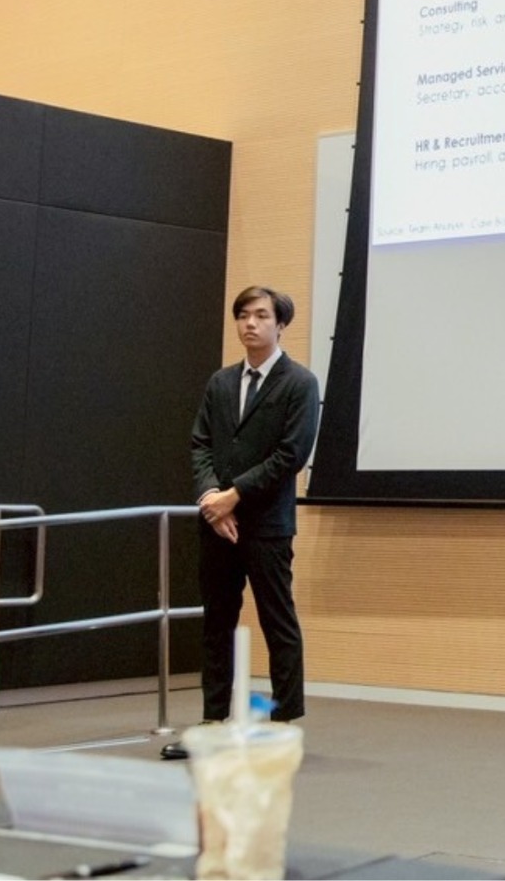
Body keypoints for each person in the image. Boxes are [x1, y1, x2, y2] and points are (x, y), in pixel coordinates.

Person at [164, 286, 320, 760]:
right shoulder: (221, 382)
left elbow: (291, 455)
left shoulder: (300, 383)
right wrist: (211, 497)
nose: (250, 323)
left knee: (278, 622)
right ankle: (213, 722)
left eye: (261, 315)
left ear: (281, 325)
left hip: (267, 524)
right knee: (217, 622)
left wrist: (234, 495)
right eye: (243, 315)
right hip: (217, 524)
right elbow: (201, 443)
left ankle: (283, 725)